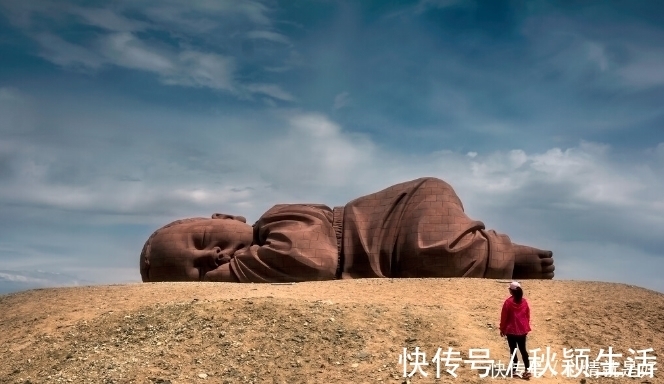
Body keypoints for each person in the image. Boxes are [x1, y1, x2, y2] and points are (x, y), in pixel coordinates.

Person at [140, 177, 555, 283]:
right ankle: (498, 256)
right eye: (197, 270)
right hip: (391, 255)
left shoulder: (279, 219)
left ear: (226, 219)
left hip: (402, 217)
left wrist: (225, 277)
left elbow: (312, 260)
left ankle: (504, 253)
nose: (212, 259)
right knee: (429, 262)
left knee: (435, 251)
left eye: (203, 242)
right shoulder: (262, 260)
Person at [500, 281, 532, 379]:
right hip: (522, 330)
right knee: (523, 350)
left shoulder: (508, 302)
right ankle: (527, 370)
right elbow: (527, 315)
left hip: (511, 330)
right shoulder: (524, 302)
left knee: (513, 351)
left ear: (511, 291)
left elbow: (504, 317)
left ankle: (514, 371)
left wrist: (502, 328)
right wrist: (525, 325)